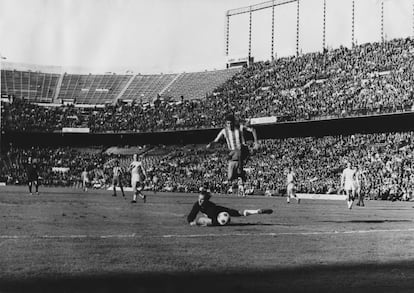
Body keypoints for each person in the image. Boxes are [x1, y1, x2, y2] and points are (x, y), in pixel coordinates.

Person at [206, 114, 259, 195]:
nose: (229, 125)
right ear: (225, 124)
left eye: (231, 123)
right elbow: (216, 140)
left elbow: (253, 130)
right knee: (230, 177)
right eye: (228, 123)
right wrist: (210, 144)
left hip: (242, 149)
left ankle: (240, 173)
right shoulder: (224, 131)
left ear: (233, 123)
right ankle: (240, 178)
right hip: (232, 153)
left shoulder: (240, 127)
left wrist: (256, 142)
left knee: (239, 154)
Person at [187, 189, 273, 226]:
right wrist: (190, 220)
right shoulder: (197, 204)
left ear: (206, 200)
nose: (199, 201)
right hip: (221, 212)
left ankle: (257, 211)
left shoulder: (211, 207)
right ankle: (257, 211)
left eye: (202, 200)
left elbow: (214, 221)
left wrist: (200, 223)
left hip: (219, 214)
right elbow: (192, 214)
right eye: (199, 199)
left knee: (200, 220)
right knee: (239, 213)